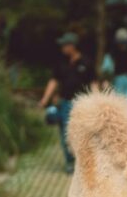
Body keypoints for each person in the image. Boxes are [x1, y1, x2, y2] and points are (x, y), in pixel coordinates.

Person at [39, 32, 98, 173]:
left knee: (84, 134)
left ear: (72, 46)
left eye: (64, 45)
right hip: (65, 103)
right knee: (66, 133)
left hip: (83, 104)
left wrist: (98, 102)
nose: (62, 48)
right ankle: (70, 162)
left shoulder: (86, 62)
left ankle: (84, 163)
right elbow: (53, 81)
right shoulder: (61, 63)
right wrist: (45, 99)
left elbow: (94, 83)